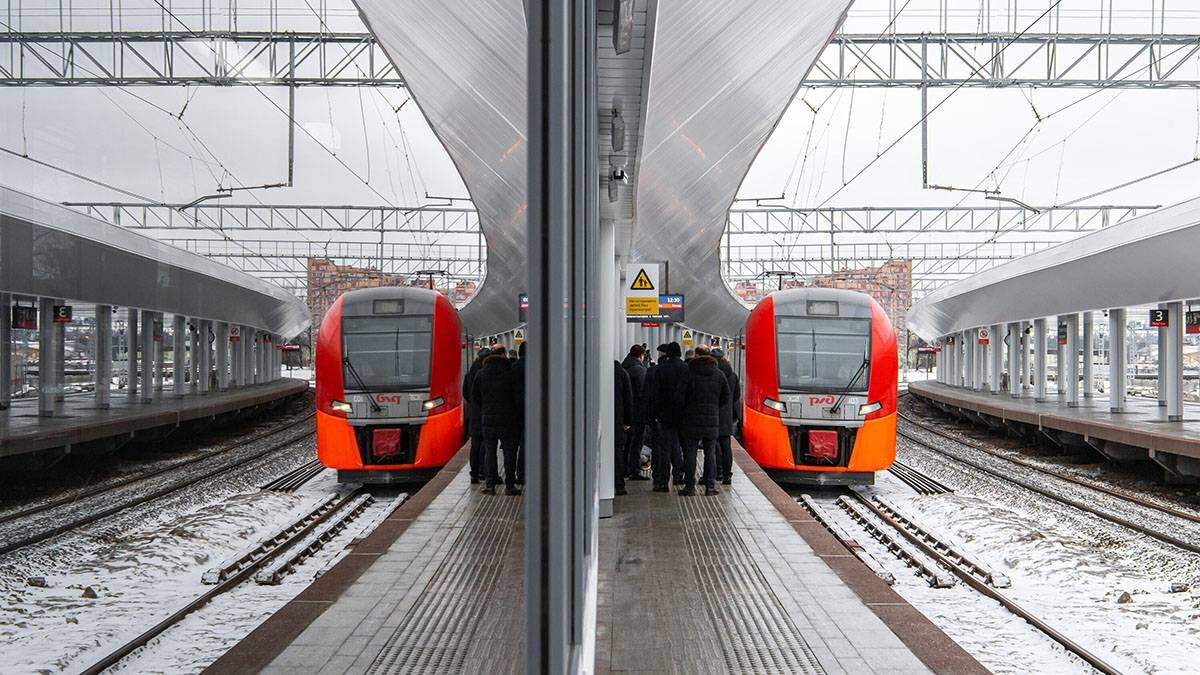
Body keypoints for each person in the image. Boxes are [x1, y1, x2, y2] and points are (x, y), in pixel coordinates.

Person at [471, 345, 523, 495]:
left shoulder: (481, 374)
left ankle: (490, 486)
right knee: (509, 453)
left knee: (490, 452)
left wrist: (485, 408)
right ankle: (510, 486)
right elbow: (517, 397)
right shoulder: (510, 373)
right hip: (509, 419)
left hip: (488, 419)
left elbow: (474, 397)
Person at [679, 347, 729, 496]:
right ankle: (710, 486)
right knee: (710, 454)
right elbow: (726, 397)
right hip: (712, 421)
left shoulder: (689, 374)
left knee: (690, 454)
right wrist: (714, 407)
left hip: (691, 420)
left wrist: (687, 409)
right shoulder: (719, 375)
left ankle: (689, 487)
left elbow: (680, 396)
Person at [652, 341, 688, 492]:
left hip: (665, 414)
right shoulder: (686, 369)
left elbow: (656, 393)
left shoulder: (660, 369)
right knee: (682, 447)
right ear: (679, 353)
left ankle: (662, 482)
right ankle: (680, 477)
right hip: (683, 415)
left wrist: (655, 413)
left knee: (664, 448)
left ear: (667, 354)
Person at [712, 348, 740, 485]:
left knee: (714, 445)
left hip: (714, 414)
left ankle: (718, 472)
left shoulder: (714, 374)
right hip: (727, 415)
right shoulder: (733, 375)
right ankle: (727, 475)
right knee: (726, 446)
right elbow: (736, 396)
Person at [620, 345, 649, 481]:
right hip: (637, 413)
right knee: (636, 442)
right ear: (641, 356)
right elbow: (644, 392)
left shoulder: (624, 367)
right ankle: (634, 470)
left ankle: (624, 468)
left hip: (625, 412)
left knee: (627, 442)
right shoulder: (639, 370)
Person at [462, 346, 490, 484]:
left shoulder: (469, 375)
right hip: (485, 412)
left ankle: (473, 473)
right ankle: (482, 470)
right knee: (485, 444)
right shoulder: (485, 374)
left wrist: (474, 404)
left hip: (474, 414)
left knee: (475, 445)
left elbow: (466, 394)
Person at [614, 359, 632, 496]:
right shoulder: (621, 373)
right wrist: (627, 421)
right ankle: (619, 485)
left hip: (596, 419)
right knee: (618, 451)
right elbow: (628, 398)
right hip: (617, 419)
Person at [513, 341, 526, 484]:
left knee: (515, 444)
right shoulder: (537, 367)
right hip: (533, 410)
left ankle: (519, 473)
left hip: (516, 411)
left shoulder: (514, 368)